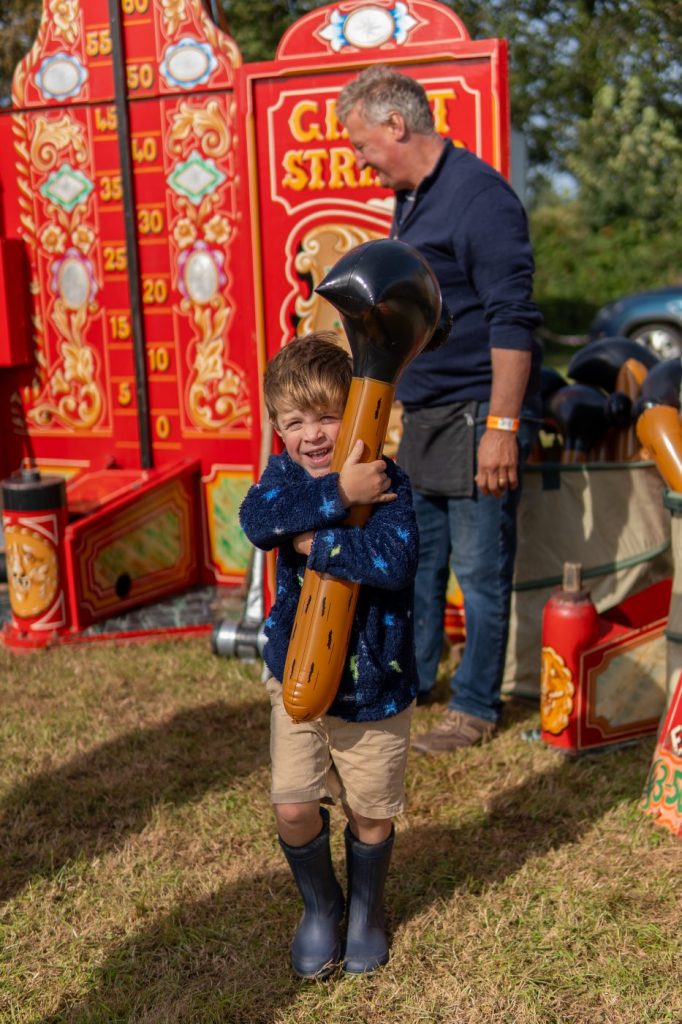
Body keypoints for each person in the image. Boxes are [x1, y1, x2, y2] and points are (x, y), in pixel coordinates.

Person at [337, 66, 543, 752]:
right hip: (429, 413)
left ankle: (476, 708)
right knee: (419, 560)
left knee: (481, 572)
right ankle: (414, 679)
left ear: (396, 125)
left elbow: (515, 321)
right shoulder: (417, 197)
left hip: (479, 413)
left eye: (363, 145)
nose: (362, 163)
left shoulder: (480, 198)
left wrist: (502, 430)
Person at [239, 332, 419, 978]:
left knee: (371, 812)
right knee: (293, 804)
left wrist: (326, 546)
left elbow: (396, 564)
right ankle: (321, 908)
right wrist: (338, 493)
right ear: (278, 429)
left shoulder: (388, 480)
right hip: (298, 676)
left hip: (376, 686)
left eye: (326, 416)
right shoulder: (286, 481)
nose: (312, 434)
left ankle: (366, 911)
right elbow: (260, 522)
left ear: (358, 413)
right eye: (295, 421)